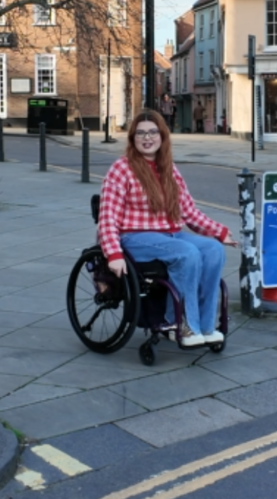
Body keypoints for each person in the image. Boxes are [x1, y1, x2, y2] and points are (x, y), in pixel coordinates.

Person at [98, 109, 237, 347]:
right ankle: (181, 324)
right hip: (134, 238)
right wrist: (113, 254)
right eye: (140, 133)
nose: (147, 138)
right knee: (187, 252)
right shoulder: (121, 169)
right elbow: (107, 217)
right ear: (133, 139)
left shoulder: (169, 169)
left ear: (162, 136)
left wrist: (219, 232)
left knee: (213, 250)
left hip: (171, 234)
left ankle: (204, 326)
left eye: (153, 132)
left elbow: (189, 212)